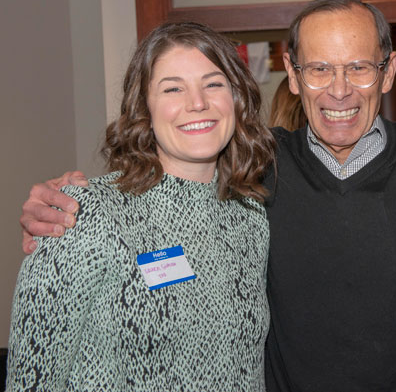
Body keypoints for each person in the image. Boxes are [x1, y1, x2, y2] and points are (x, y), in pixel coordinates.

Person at [20, 0, 396, 392]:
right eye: (319, 69)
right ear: (293, 72)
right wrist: (70, 207)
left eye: (358, 68)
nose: (339, 90)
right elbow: (163, 181)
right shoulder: (254, 171)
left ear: (387, 72)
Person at [7, 22, 276, 390]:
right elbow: (32, 379)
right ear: (144, 109)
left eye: (213, 83)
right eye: (172, 88)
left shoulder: (250, 218)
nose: (197, 102)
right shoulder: (84, 213)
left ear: (237, 98)